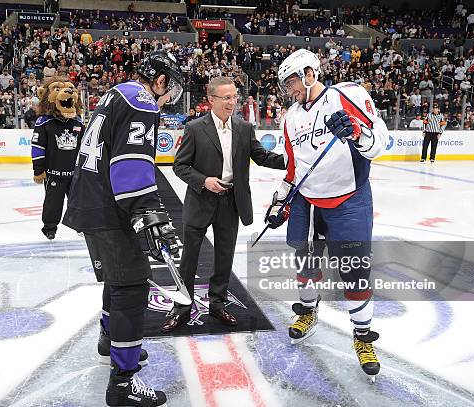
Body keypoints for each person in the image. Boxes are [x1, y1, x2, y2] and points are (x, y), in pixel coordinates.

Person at [63, 50, 184, 407]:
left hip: (90, 200)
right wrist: (145, 211)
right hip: (109, 208)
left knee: (117, 279)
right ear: (159, 80)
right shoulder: (143, 100)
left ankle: (109, 339)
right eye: (170, 90)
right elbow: (129, 164)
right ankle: (123, 383)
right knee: (131, 286)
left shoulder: (117, 91)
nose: (168, 99)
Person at [265, 49, 389, 379]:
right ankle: (308, 310)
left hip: (349, 200)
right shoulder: (290, 117)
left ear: (309, 74)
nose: (287, 90)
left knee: (354, 272)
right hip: (307, 202)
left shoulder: (346, 95)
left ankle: (363, 337)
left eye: (290, 81)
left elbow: (380, 142)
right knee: (305, 264)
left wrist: (356, 133)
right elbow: (294, 166)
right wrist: (280, 202)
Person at [162, 76, 285, 332]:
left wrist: (293, 161)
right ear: (211, 99)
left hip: (231, 201)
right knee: (189, 258)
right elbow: (180, 166)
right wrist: (204, 180)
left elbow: (261, 156)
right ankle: (182, 307)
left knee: (224, 256)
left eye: (234, 97)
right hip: (201, 200)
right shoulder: (195, 128)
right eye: (226, 97)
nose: (232, 102)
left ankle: (217, 304)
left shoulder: (243, 127)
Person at [31, 77, 84, 240]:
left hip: (74, 173)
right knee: (53, 203)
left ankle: (81, 225)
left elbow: (84, 147)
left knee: (79, 202)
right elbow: (38, 147)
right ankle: (49, 227)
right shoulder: (44, 122)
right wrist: (39, 170)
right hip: (53, 173)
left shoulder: (78, 121)